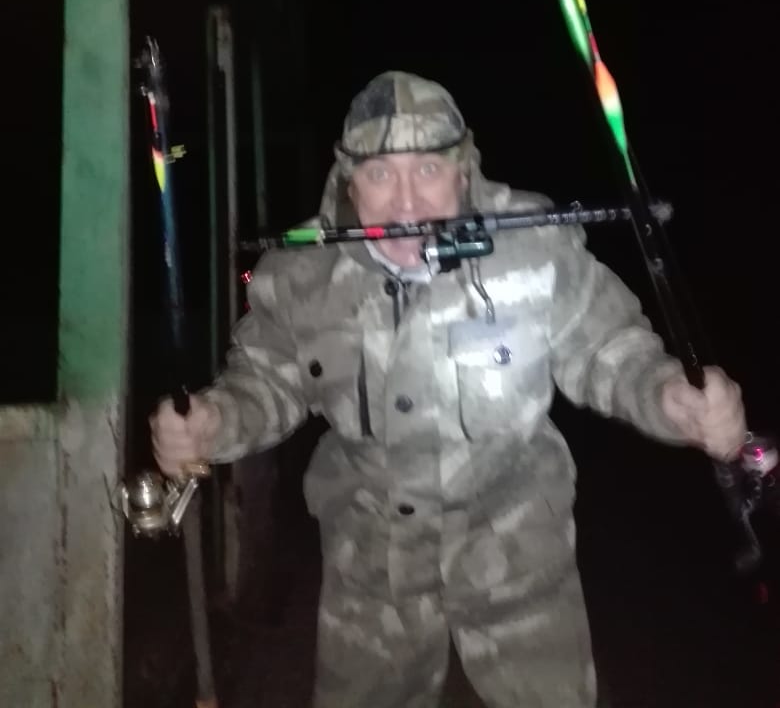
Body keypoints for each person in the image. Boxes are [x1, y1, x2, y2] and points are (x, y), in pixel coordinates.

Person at [150, 70, 747, 708]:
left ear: (464, 171)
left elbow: (609, 350)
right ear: (349, 182)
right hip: (370, 562)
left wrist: (670, 397)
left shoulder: (533, 245)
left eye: (429, 169)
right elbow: (266, 380)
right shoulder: (299, 272)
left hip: (517, 549)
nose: (406, 202)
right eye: (380, 174)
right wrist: (212, 422)